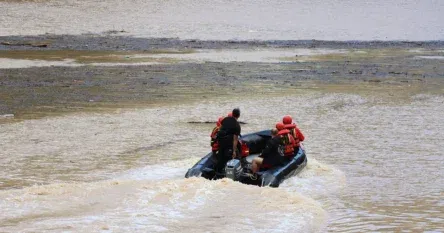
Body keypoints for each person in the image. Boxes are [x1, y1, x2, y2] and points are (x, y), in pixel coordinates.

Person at [215, 108, 241, 173]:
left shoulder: (225, 119)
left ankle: (217, 172)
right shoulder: (237, 125)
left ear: (232, 113)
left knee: (221, 158)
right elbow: (235, 140)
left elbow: (220, 129)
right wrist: (234, 151)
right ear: (238, 116)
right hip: (228, 143)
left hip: (220, 142)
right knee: (236, 156)